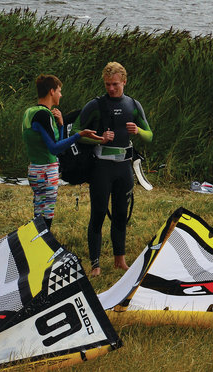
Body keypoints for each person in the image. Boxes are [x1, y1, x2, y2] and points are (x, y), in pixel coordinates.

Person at [74, 62, 153, 276]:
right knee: (98, 214)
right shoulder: (96, 105)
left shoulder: (133, 104)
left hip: (124, 168)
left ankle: (120, 260)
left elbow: (150, 134)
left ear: (124, 82)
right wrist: (98, 139)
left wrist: (138, 130)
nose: (111, 88)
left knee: (120, 215)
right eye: (108, 84)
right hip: (101, 168)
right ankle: (96, 265)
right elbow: (75, 131)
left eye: (115, 84)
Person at [21, 75, 101, 230]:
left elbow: (54, 142)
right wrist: (79, 135)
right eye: (59, 91)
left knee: (38, 213)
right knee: (47, 215)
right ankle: (43, 245)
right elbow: (55, 148)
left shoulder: (30, 112)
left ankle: (36, 244)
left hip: (34, 169)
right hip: (46, 170)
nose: (61, 95)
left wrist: (61, 125)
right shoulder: (44, 115)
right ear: (51, 91)